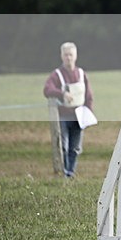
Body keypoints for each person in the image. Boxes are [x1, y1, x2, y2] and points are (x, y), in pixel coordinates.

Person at [43, 42, 94, 177]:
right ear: (61, 56)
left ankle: (70, 173)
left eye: (71, 55)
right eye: (66, 55)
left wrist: (88, 114)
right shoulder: (56, 75)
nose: (68, 58)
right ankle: (63, 173)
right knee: (63, 147)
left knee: (75, 148)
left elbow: (88, 96)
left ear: (75, 56)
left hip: (79, 117)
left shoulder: (82, 74)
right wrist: (62, 93)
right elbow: (47, 89)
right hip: (63, 116)